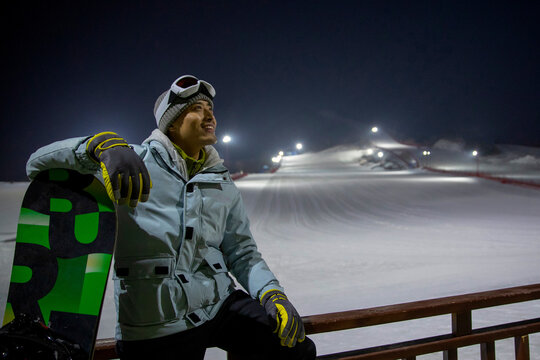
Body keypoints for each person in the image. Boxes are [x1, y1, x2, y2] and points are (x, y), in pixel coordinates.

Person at [26, 75, 316, 359]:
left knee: (294, 347)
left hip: (218, 306)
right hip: (155, 324)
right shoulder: (128, 163)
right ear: (173, 123)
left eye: (211, 110)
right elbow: (36, 164)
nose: (209, 117)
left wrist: (271, 293)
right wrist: (97, 146)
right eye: (196, 110)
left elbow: (242, 252)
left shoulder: (221, 181)